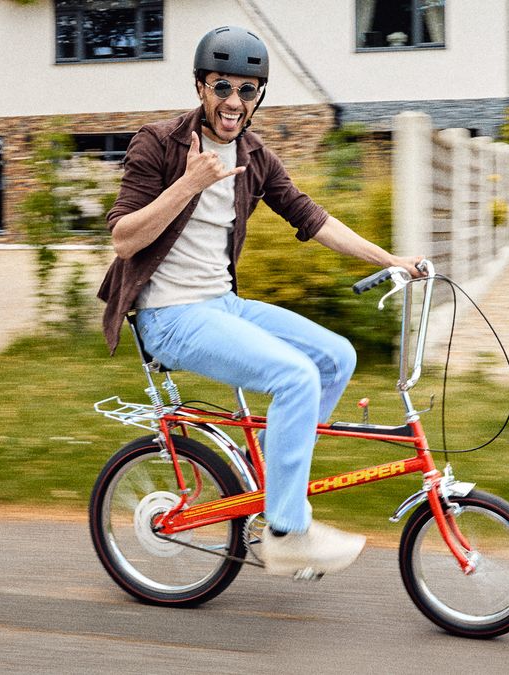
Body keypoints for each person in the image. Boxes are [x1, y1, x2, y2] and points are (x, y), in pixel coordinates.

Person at [98, 25, 423, 578]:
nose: (233, 102)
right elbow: (123, 238)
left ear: (258, 97)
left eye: (247, 91)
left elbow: (312, 218)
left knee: (335, 357)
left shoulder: (253, 154)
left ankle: (268, 489)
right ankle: (286, 530)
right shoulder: (158, 143)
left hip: (221, 305)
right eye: (222, 86)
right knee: (295, 377)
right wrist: (189, 183)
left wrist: (389, 260)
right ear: (201, 86)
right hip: (169, 316)